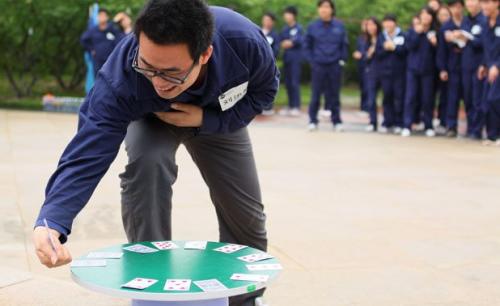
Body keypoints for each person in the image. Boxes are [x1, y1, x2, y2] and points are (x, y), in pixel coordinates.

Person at [32, 1, 279, 306]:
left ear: (205, 54)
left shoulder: (245, 43)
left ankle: (245, 299)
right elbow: (88, 149)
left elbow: (263, 92)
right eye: (148, 68)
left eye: (172, 73)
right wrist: (52, 220)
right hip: (153, 119)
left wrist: (207, 120)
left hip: (218, 119)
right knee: (147, 165)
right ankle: (152, 287)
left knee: (246, 212)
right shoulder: (122, 74)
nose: (159, 82)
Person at [304, 0, 349, 132]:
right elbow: (307, 46)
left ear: (332, 10)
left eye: (327, 7)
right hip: (318, 64)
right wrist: (312, 61)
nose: (324, 10)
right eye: (322, 7)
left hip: (335, 65)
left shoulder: (339, 26)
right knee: (316, 94)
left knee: (334, 94)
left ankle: (337, 121)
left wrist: (342, 60)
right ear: (318, 10)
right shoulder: (312, 27)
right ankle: (312, 120)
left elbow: (344, 45)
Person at [402, 7, 438, 137]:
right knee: (411, 97)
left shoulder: (434, 33)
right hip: (413, 69)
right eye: (424, 15)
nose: (426, 18)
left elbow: (438, 53)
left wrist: (435, 44)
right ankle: (407, 125)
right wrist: (417, 33)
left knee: (427, 98)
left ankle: (428, 125)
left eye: (429, 15)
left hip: (428, 70)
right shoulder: (413, 31)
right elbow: (409, 47)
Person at [437, 0, 467, 138]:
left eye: (459, 6)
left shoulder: (468, 23)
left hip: (467, 65)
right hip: (452, 66)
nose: (456, 9)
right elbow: (441, 51)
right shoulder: (445, 27)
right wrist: (442, 68)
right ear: (449, 8)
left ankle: (472, 127)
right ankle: (451, 126)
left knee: (469, 97)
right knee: (452, 98)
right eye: (453, 7)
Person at [373, 14, 407, 133]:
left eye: (390, 22)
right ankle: (387, 121)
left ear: (395, 23)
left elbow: (405, 51)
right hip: (385, 72)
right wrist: (385, 48)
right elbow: (377, 53)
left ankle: (399, 122)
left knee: (399, 97)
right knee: (387, 97)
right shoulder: (381, 36)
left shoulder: (402, 35)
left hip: (399, 72)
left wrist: (394, 48)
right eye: (386, 22)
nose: (388, 25)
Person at [462, 0, 486, 139]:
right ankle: (470, 127)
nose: (470, 4)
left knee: (478, 98)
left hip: (478, 64)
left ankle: (477, 129)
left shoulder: (484, 19)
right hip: (466, 64)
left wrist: (469, 38)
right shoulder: (466, 20)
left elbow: (483, 43)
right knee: (468, 97)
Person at [477, 0, 500, 145]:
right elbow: (486, 48)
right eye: (482, 3)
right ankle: (492, 135)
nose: (484, 6)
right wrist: (484, 65)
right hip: (490, 68)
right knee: (487, 101)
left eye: (487, 2)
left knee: (495, 99)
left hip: (497, 67)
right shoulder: (484, 23)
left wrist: (497, 66)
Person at [80, 8, 124, 75]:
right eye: (100, 16)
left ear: (107, 17)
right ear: (97, 17)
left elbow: (121, 40)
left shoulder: (113, 29)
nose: (101, 18)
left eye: (103, 15)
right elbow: (83, 39)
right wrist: (91, 49)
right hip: (98, 61)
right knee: (98, 79)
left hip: (111, 61)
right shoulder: (93, 30)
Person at [279, 6, 304, 117]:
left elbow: (299, 40)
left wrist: (290, 42)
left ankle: (296, 106)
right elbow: (281, 42)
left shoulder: (299, 28)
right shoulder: (284, 29)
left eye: (288, 14)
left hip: (296, 59)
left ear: (293, 15)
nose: (286, 16)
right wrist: (287, 43)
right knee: (288, 83)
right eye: (285, 14)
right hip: (287, 59)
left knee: (294, 82)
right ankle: (289, 105)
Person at [363, 17, 382, 132]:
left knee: (389, 97)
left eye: (373, 25)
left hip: (385, 71)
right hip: (372, 72)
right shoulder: (365, 40)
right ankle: (373, 122)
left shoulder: (383, 38)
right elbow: (363, 57)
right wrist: (368, 54)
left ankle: (389, 122)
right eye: (368, 25)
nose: (371, 27)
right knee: (371, 98)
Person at [436, 5, 452, 132]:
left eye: (446, 15)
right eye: (441, 15)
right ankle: (441, 120)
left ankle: (447, 122)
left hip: (454, 66)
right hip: (437, 67)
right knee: (442, 96)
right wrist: (442, 68)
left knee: (449, 96)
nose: (444, 18)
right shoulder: (437, 29)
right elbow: (441, 51)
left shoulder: (453, 27)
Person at [261, 12, 280, 116]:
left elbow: (277, 49)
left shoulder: (275, 35)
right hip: (258, 63)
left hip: (269, 63)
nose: (266, 22)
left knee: (269, 84)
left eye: (268, 20)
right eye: (265, 19)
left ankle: (268, 106)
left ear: (272, 22)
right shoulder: (258, 31)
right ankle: (258, 106)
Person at [353, 19, 369, 112]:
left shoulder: (374, 38)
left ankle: (368, 107)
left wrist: (362, 54)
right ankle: (363, 107)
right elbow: (358, 49)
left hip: (369, 65)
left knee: (368, 86)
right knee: (362, 86)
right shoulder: (360, 38)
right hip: (361, 65)